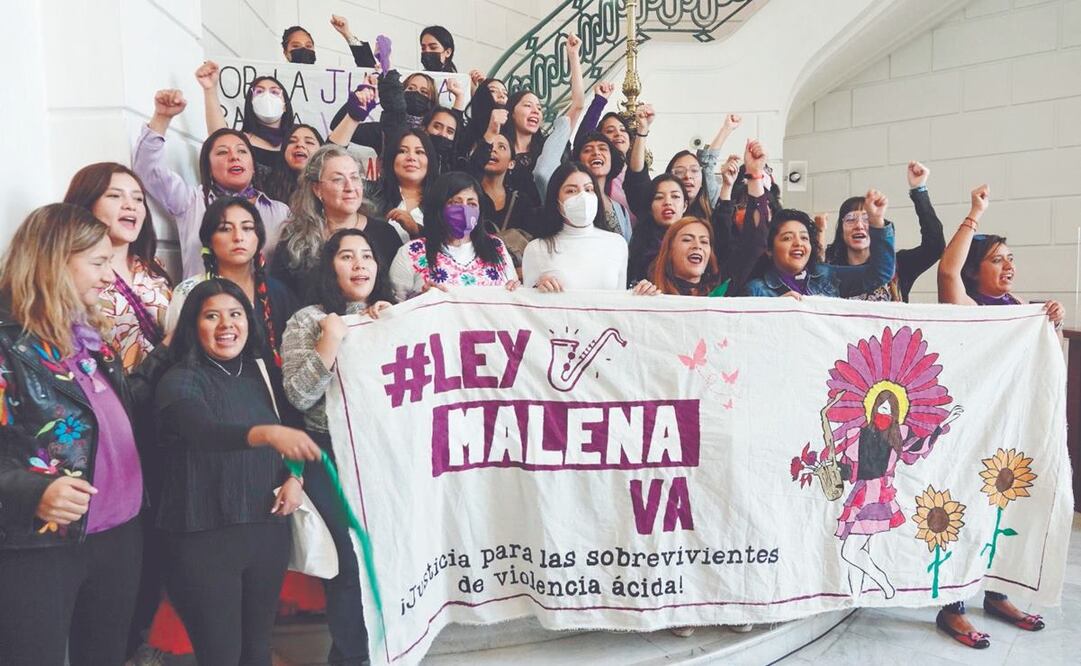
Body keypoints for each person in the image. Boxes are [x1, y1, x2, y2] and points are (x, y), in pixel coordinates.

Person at [0, 204, 144, 666]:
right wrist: (32, 491)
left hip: (117, 536)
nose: (109, 277)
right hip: (41, 547)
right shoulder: (7, 344)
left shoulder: (84, 337)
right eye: (98, 263)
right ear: (54, 260)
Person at [154, 278, 321, 666]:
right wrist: (266, 434)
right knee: (222, 655)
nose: (226, 325)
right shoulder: (177, 380)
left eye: (235, 314)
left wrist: (294, 477)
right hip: (203, 537)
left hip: (265, 531)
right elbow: (204, 433)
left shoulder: (262, 373)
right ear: (193, 325)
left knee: (258, 651)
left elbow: (292, 428)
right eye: (211, 316)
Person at [933, 184, 1063, 649]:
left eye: (1011, 258)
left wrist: (1049, 314)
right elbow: (947, 269)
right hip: (969, 434)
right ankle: (952, 608)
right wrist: (974, 214)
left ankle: (996, 593)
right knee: (962, 511)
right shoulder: (965, 308)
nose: (1009, 266)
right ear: (975, 271)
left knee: (1003, 511)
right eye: (997, 259)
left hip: (1009, 433)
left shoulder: (1016, 312)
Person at [282, 228, 394, 666]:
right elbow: (298, 395)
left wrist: (393, 326)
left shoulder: (390, 313)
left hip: (384, 454)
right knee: (348, 566)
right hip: (329, 454)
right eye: (347, 256)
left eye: (367, 256)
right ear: (330, 266)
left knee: (387, 558)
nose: (360, 264)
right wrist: (331, 338)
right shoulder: (308, 319)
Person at [134, 89, 290, 279]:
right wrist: (161, 118)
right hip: (202, 305)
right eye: (222, 152)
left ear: (253, 166)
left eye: (242, 151)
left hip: (263, 307)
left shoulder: (281, 213)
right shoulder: (191, 202)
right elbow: (148, 170)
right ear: (208, 166)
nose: (234, 157)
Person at [63, 162, 173, 369]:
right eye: (115, 196)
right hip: (116, 394)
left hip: (170, 390)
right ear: (87, 202)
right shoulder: (74, 273)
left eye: (138, 198)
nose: (131, 205)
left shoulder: (153, 267)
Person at [165, 197, 298, 360]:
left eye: (247, 228)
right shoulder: (189, 292)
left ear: (259, 238)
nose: (238, 237)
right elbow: (176, 356)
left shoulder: (279, 293)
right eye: (225, 229)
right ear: (210, 240)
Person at [274, 145, 402, 303]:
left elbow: (398, 296)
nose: (350, 188)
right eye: (338, 180)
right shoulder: (295, 240)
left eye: (355, 178)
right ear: (317, 189)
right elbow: (282, 301)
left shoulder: (385, 234)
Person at [825, 161, 946, 302]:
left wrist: (919, 190)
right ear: (841, 230)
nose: (859, 225)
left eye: (867, 218)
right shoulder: (828, 269)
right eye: (850, 219)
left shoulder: (899, 264)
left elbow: (935, 247)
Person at [389, 171, 519, 301]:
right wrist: (420, 300)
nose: (464, 210)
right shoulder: (411, 253)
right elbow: (393, 310)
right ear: (438, 207)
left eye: (472, 204)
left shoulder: (496, 247)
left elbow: (514, 296)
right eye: (455, 202)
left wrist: (515, 290)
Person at [743, 191, 896, 298]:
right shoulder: (756, 290)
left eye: (804, 238)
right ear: (769, 250)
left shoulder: (827, 275)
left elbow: (880, 274)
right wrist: (776, 311)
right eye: (787, 238)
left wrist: (876, 221)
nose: (798, 243)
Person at [522, 162, 636, 292]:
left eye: (588, 189)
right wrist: (538, 288)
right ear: (556, 201)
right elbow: (529, 306)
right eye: (571, 191)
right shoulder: (537, 249)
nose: (583, 197)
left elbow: (619, 303)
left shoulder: (617, 243)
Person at [195, 63, 296, 187]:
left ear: (285, 105)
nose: (267, 96)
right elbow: (218, 135)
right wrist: (210, 89)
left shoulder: (297, 143)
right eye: (259, 92)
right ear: (250, 103)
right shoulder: (242, 140)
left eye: (274, 92)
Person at [380, 129, 436, 242]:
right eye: (402, 151)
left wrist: (416, 230)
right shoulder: (373, 193)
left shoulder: (443, 201)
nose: (411, 157)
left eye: (419, 152)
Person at [650, 217, 724, 296]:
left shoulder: (722, 298)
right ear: (670, 249)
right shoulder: (649, 296)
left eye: (704, 241)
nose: (697, 246)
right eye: (687, 240)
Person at [262, 123, 324, 205]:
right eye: (292, 141)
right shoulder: (266, 184)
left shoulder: (330, 186)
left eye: (309, 142)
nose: (300, 145)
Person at [280, 20, 379, 67]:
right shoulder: (274, 84)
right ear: (285, 52)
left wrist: (346, 33)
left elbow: (368, 68)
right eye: (296, 46)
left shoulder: (327, 78)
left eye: (308, 46)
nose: (304, 49)